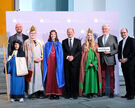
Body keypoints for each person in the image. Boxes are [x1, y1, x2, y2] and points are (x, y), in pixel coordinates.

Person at [79, 28, 102, 98]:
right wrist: (87, 63)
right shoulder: (84, 46)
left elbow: (97, 56)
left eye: (90, 35)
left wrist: (94, 63)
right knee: (87, 79)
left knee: (94, 79)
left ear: (92, 36)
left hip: (94, 66)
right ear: (87, 37)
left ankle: (93, 92)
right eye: (88, 35)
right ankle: (88, 92)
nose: (89, 37)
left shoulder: (96, 45)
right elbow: (82, 57)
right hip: (87, 66)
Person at [43, 30, 65, 100]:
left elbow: (61, 55)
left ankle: (57, 93)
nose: (53, 36)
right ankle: (51, 93)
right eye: (52, 34)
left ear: (56, 35)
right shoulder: (47, 44)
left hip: (57, 64)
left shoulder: (59, 44)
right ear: (50, 35)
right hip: (49, 64)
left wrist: (60, 64)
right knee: (50, 78)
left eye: (54, 34)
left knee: (56, 78)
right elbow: (45, 55)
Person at [23, 25, 44, 99]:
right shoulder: (26, 42)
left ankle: (39, 91)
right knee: (31, 78)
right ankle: (31, 93)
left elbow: (43, 52)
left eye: (34, 33)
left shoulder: (39, 42)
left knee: (38, 77)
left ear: (36, 34)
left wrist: (41, 58)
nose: (33, 35)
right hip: (31, 63)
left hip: (39, 63)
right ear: (29, 34)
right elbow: (26, 54)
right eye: (31, 33)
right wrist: (33, 59)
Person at [98, 24, 118, 98]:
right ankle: (103, 91)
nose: (104, 30)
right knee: (102, 77)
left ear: (109, 29)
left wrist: (110, 52)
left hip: (110, 60)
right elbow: (99, 49)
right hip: (102, 60)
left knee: (112, 76)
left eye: (106, 29)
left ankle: (112, 92)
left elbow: (117, 49)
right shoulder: (99, 38)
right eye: (103, 29)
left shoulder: (113, 38)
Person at [62, 28, 82, 99]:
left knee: (75, 79)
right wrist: (67, 57)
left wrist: (73, 57)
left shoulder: (78, 41)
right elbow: (63, 52)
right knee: (67, 79)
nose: (69, 33)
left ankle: (75, 94)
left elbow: (79, 51)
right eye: (68, 32)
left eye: (71, 32)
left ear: (74, 32)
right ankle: (68, 94)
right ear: (67, 33)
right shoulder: (64, 41)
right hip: (67, 63)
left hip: (75, 63)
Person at [118, 28, 135, 100]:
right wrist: (119, 59)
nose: (123, 34)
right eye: (121, 33)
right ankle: (127, 93)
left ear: (127, 32)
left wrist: (127, 58)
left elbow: (134, 52)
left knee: (131, 79)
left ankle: (132, 94)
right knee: (126, 79)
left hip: (130, 63)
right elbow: (119, 52)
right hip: (123, 63)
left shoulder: (132, 40)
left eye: (124, 32)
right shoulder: (121, 42)